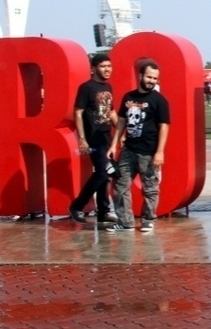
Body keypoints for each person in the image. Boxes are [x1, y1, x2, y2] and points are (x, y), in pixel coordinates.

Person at [108, 60, 170, 233]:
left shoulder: (159, 101)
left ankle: (148, 220)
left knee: (150, 188)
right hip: (129, 150)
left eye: (155, 78)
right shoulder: (128, 97)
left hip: (149, 152)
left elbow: (164, 126)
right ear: (141, 76)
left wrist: (160, 152)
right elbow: (121, 122)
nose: (152, 81)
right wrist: (114, 145)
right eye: (149, 77)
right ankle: (125, 222)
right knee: (120, 186)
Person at [69, 53, 118, 224]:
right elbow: (78, 112)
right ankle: (77, 206)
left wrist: (121, 132)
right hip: (93, 139)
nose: (107, 69)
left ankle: (103, 211)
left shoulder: (108, 87)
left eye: (109, 66)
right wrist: (82, 138)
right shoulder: (86, 88)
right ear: (93, 69)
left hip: (107, 138)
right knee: (103, 173)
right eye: (103, 66)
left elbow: (111, 112)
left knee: (106, 174)